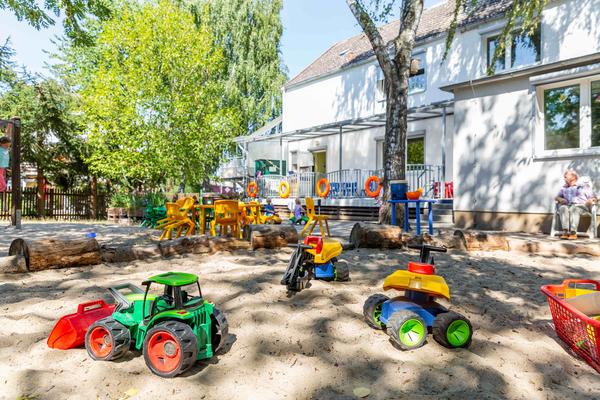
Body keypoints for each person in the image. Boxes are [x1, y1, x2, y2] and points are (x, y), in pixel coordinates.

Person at [555, 169, 597, 239]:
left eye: (565, 177)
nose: (564, 179)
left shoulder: (583, 186)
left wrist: (590, 200)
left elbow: (595, 197)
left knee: (574, 208)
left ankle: (573, 232)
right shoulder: (564, 187)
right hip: (568, 206)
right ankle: (565, 231)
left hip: (581, 207)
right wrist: (560, 199)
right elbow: (557, 197)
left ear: (573, 177)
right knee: (562, 208)